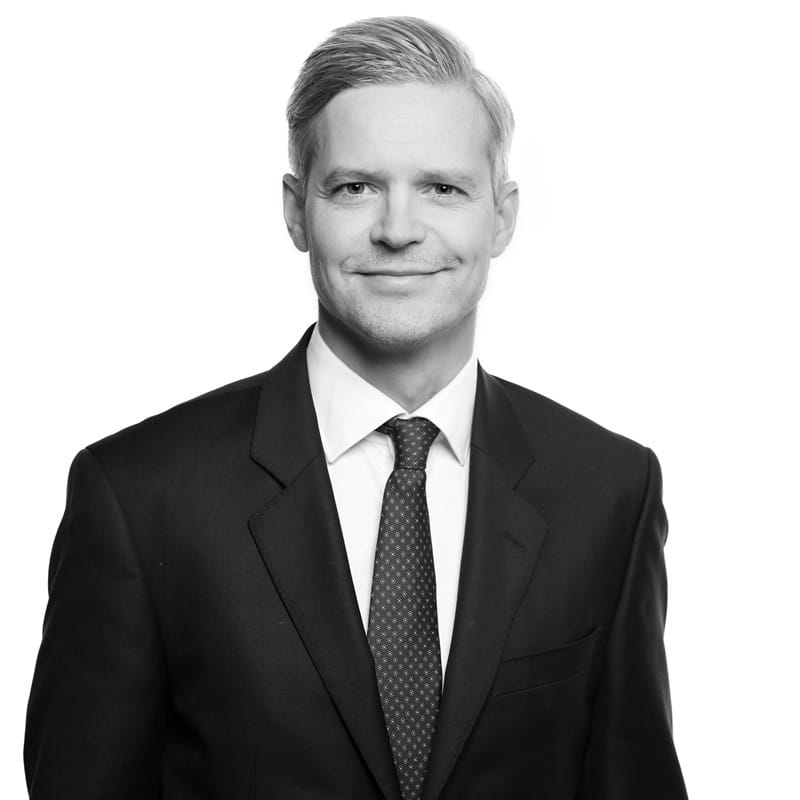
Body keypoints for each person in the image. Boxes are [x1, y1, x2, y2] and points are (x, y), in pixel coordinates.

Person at [24, 16, 688, 800]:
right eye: (355, 188)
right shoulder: (140, 498)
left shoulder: (609, 491)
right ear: (295, 210)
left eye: (442, 188)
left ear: (502, 216)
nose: (398, 230)